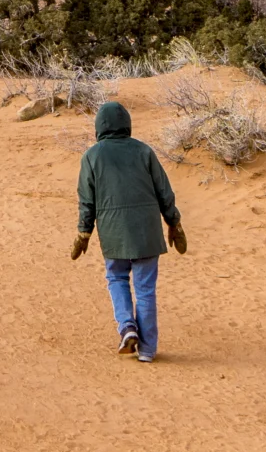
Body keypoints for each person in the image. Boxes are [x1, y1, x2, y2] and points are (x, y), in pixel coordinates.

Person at [71, 99, 185, 362]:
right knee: (145, 288)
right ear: (127, 124)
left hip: (113, 231)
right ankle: (147, 350)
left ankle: (127, 327)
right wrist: (174, 223)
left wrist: (83, 233)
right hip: (147, 230)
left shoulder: (92, 156)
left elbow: (86, 200)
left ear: (99, 126)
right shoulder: (144, 151)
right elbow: (164, 192)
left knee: (117, 278)